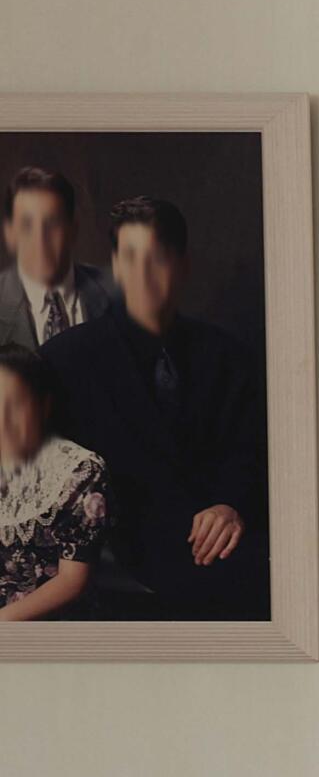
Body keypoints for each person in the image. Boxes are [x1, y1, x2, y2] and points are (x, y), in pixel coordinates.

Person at [42, 196, 264, 618]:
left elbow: (249, 454)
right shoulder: (64, 359)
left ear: (183, 265)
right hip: (107, 575)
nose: (142, 274)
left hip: (215, 561)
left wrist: (229, 505)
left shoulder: (229, 356)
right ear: (116, 266)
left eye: (157, 258)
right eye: (129, 258)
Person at [0, 344, 109, 621]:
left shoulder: (79, 471)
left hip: (45, 622)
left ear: (44, 405)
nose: (4, 421)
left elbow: (73, 581)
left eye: (17, 405)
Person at [0, 165, 122, 352]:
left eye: (53, 223)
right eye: (26, 225)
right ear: (9, 234)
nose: (40, 240)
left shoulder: (121, 293)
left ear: (73, 230)